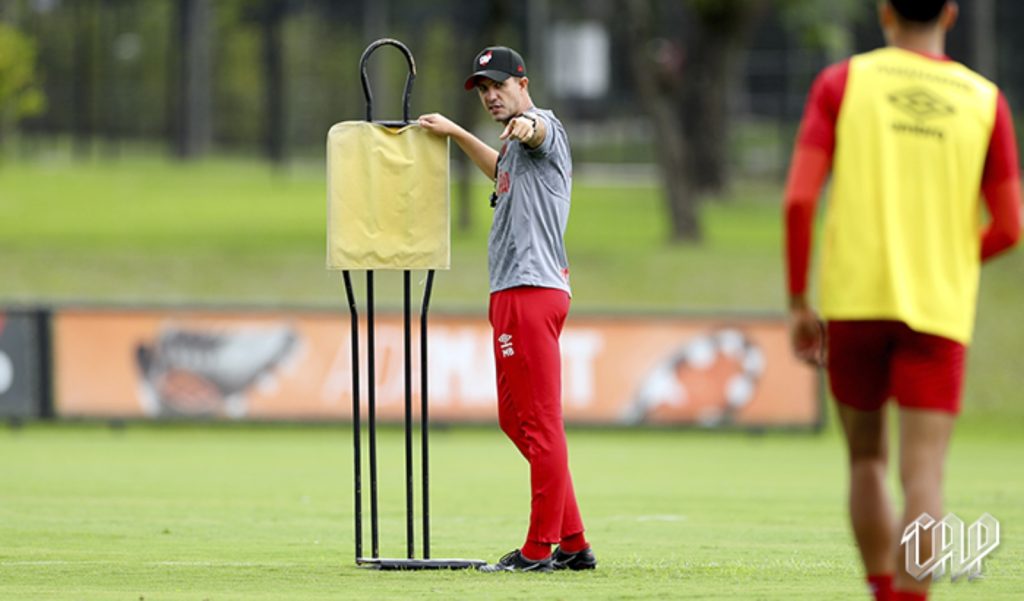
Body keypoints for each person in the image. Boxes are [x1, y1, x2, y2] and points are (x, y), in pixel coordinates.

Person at [784, 1, 1020, 600]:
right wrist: (950, 259)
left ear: (885, 12)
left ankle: (882, 590)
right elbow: (1010, 226)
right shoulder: (985, 100)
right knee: (924, 474)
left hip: (854, 303)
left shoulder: (842, 82)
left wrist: (798, 300)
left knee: (866, 460)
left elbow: (799, 201)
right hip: (937, 312)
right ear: (951, 14)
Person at [418, 46, 596, 573]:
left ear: (524, 83)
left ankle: (539, 549)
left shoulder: (542, 128)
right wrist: (456, 133)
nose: (491, 96)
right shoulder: (514, 154)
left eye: (499, 85)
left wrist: (526, 126)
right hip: (515, 292)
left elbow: (539, 132)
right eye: (483, 89)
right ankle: (573, 541)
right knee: (515, 420)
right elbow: (500, 170)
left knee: (540, 424)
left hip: (531, 290)